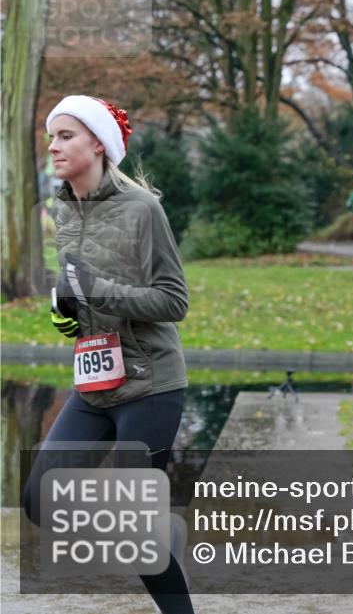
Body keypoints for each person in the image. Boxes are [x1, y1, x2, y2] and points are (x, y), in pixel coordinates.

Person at [23, 95, 193, 613]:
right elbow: (78, 287)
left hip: (151, 384)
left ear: (98, 144)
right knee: (38, 498)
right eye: (52, 136)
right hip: (95, 383)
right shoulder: (62, 208)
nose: (53, 146)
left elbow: (174, 300)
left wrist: (100, 292)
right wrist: (68, 311)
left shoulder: (143, 209)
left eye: (66, 136)